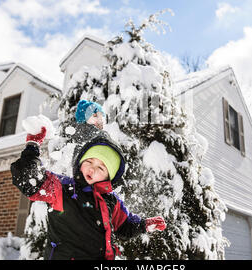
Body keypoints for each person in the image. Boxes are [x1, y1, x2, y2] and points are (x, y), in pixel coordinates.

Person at [11, 104, 166, 260]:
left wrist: (144, 225)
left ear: (108, 176)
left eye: (101, 168)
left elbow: (124, 225)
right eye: (89, 161)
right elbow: (28, 179)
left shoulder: (111, 200)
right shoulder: (62, 188)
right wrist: (32, 146)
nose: (92, 169)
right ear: (81, 161)